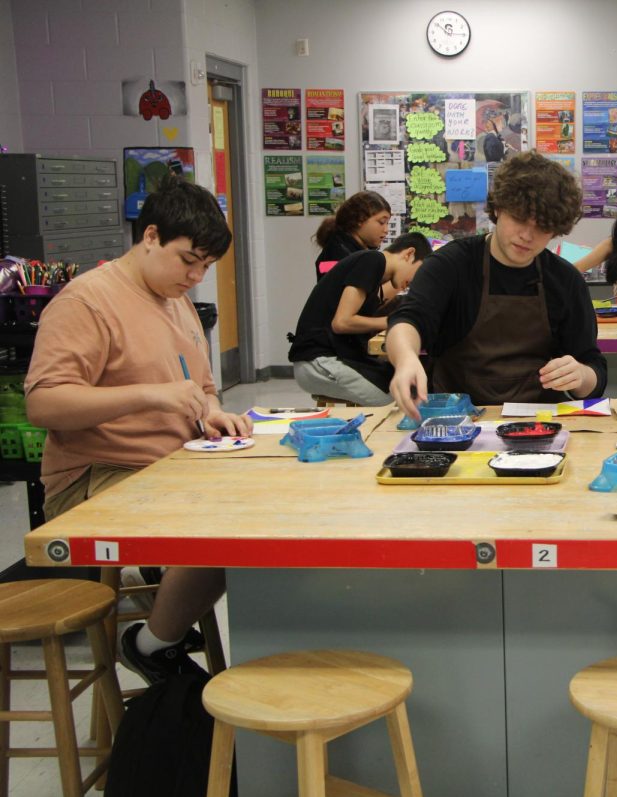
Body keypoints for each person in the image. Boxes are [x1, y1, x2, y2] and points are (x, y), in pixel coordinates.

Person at [24, 176, 251, 684]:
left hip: (173, 462)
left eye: (206, 267)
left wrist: (210, 409)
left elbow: (203, 385)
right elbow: (42, 403)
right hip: (98, 476)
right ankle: (150, 644)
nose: (195, 276)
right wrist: (149, 395)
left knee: (268, 507)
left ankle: (171, 610)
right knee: (226, 529)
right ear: (150, 236)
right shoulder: (87, 302)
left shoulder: (176, 297)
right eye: (187, 260)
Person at [386, 151, 607, 418]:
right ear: (499, 208)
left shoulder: (565, 281)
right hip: (456, 423)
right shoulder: (450, 265)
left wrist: (581, 376)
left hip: (539, 424)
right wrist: (406, 358)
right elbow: (407, 320)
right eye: (519, 218)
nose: (527, 235)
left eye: (542, 227)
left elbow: (593, 370)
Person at [289, 232, 432, 406]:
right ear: (409, 254)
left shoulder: (375, 273)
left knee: (406, 382)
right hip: (318, 363)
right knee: (397, 400)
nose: (414, 282)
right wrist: (395, 323)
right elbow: (342, 322)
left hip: (328, 359)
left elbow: (392, 294)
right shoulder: (373, 260)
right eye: (419, 272)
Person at [312, 190, 391, 280]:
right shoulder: (336, 253)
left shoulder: (354, 250)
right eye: (382, 222)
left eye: (387, 223)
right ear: (360, 219)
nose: (386, 230)